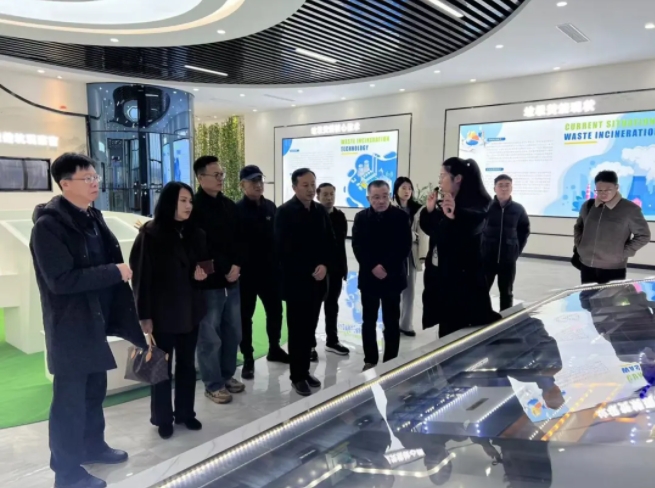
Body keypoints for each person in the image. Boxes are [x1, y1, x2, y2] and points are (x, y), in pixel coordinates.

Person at [29, 153, 147, 488]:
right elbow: (61, 280)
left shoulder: (92, 216)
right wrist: (114, 272)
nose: (96, 183)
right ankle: (67, 474)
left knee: (94, 391)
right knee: (69, 403)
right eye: (87, 178)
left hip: (96, 321)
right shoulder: (48, 227)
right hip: (70, 327)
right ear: (65, 184)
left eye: (96, 177)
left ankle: (93, 446)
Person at [130, 182, 208, 440]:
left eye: (190, 201)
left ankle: (185, 413)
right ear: (169, 202)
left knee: (187, 365)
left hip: (191, 311)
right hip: (162, 313)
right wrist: (144, 315)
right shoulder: (150, 234)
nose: (188, 206)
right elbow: (141, 277)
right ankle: (163, 418)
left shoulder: (196, 233)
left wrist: (201, 275)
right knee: (160, 368)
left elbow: (204, 267)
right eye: (182, 200)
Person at [419, 157, 500, 338]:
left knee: (458, 331)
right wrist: (430, 211)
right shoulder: (447, 201)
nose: (440, 181)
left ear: (458, 178)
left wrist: (454, 216)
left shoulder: (478, 203)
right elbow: (434, 231)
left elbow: (471, 227)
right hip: (442, 277)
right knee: (446, 327)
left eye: (443, 176)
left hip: (462, 281)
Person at [275, 168, 335, 396]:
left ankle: (305, 370)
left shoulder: (320, 211)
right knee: (297, 330)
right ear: (294, 187)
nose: (310, 189)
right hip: (296, 282)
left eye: (313, 185)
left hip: (318, 282)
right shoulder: (284, 212)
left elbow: (330, 242)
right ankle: (297, 376)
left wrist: (325, 265)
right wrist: (310, 269)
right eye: (305, 185)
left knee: (309, 329)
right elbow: (283, 250)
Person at [192, 155, 246, 404]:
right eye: (216, 175)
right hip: (209, 283)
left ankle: (227, 375)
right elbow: (200, 247)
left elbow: (240, 239)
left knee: (233, 331)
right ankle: (213, 384)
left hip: (232, 279)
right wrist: (224, 266)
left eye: (222, 174)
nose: (220, 179)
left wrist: (237, 265)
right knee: (209, 336)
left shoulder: (228, 205)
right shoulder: (194, 207)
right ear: (200, 178)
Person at [352, 180, 413, 371]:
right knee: (368, 321)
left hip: (392, 277)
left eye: (385, 196)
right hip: (369, 278)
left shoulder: (400, 217)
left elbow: (404, 246)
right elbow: (357, 246)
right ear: (368, 198)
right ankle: (370, 359)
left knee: (391, 322)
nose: (381, 201)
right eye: (376, 197)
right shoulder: (361, 217)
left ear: (390, 196)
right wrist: (373, 266)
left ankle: (391, 361)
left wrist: (385, 267)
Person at [235, 165, 289, 380]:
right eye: (252, 181)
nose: (258, 185)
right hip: (247, 275)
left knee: (275, 312)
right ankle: (248, 357)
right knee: (245, 317)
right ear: (242, 185)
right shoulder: (236, 210)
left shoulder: (270, 207)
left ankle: (274, 348)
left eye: (260, 180)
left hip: (270, 273)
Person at [574, 170, 650, 285]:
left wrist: (621, 253)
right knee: (587, 295)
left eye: (608, 190)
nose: (603, 193)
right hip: (586, 264)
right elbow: (579, 226)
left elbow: (643, 235)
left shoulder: (629, 209)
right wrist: (580, 245)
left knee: (611, 297)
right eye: (599, 190)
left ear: (616, 187)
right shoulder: (588, 205)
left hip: (613, 268)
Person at [482, 174, 530, 311]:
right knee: (482, 291)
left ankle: (506, 319)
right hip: (487, 258)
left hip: (508, 260)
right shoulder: (486, 207)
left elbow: (524, 231)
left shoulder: (518, 209)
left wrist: (515, 250)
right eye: (500, 185)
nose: (504, 188)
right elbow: (477, 230)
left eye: (507, 185)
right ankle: (481, 318)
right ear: (494, 188)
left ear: (511, 187)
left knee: (506, 292)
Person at [315, 183, 350, 357]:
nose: (329, 198)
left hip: (335, 270)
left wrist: (343, 269)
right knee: (313, 308)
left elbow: (340, 245)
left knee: (332, 306)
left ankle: (332, 340)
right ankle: (310, 345)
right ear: (318, 196)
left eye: (332, 194)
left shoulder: (340, 216)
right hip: (317, 271)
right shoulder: (313, 215)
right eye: (325, 195)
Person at [392, 177, 429, 337]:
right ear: (396, 190)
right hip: (394, 255)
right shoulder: (390, 207)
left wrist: (422, 255)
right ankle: (392, 323)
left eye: (409, 188)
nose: (407, 191)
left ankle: (406, 324)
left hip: (411, 254)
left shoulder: (418, 209)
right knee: (393, 291)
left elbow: (423, 233)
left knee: (410, 290)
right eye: (403, 188)